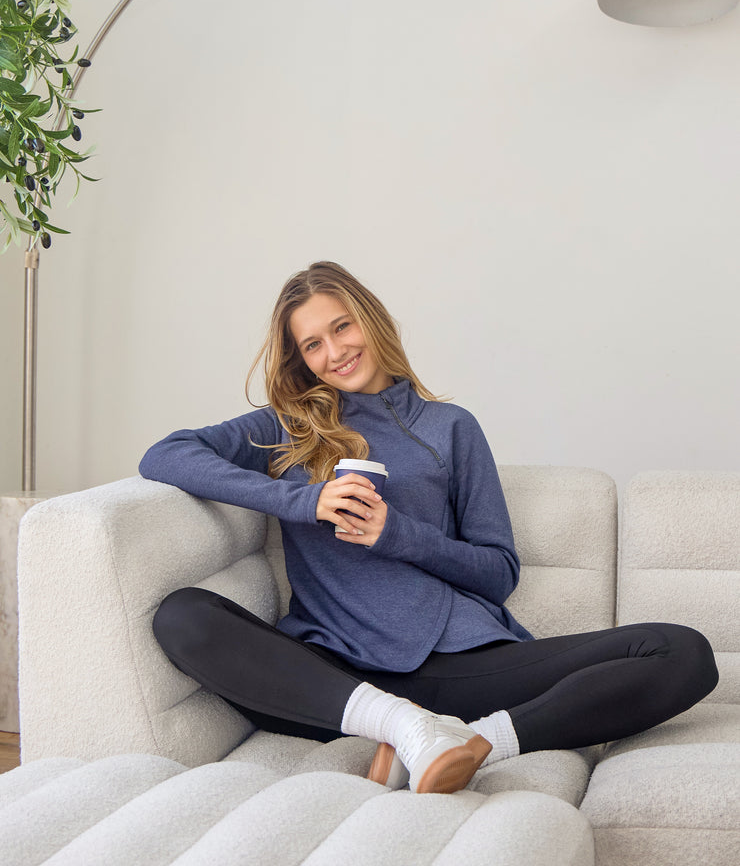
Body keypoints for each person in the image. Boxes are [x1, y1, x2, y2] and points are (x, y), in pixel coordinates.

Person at [140, 260, 718, 795]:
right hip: (333, 675)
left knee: (681, 651)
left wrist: (396, 533)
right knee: (182, 615)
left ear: (371, 320)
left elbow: (498, 573)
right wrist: (305, 500)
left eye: (342, 327)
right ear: (301, 358)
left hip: (455, 666)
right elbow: (166, 454)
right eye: (312, 344)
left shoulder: (450, 428)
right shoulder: (287, 426)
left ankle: (473, 742)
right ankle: (402, 725)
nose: (335, 352)